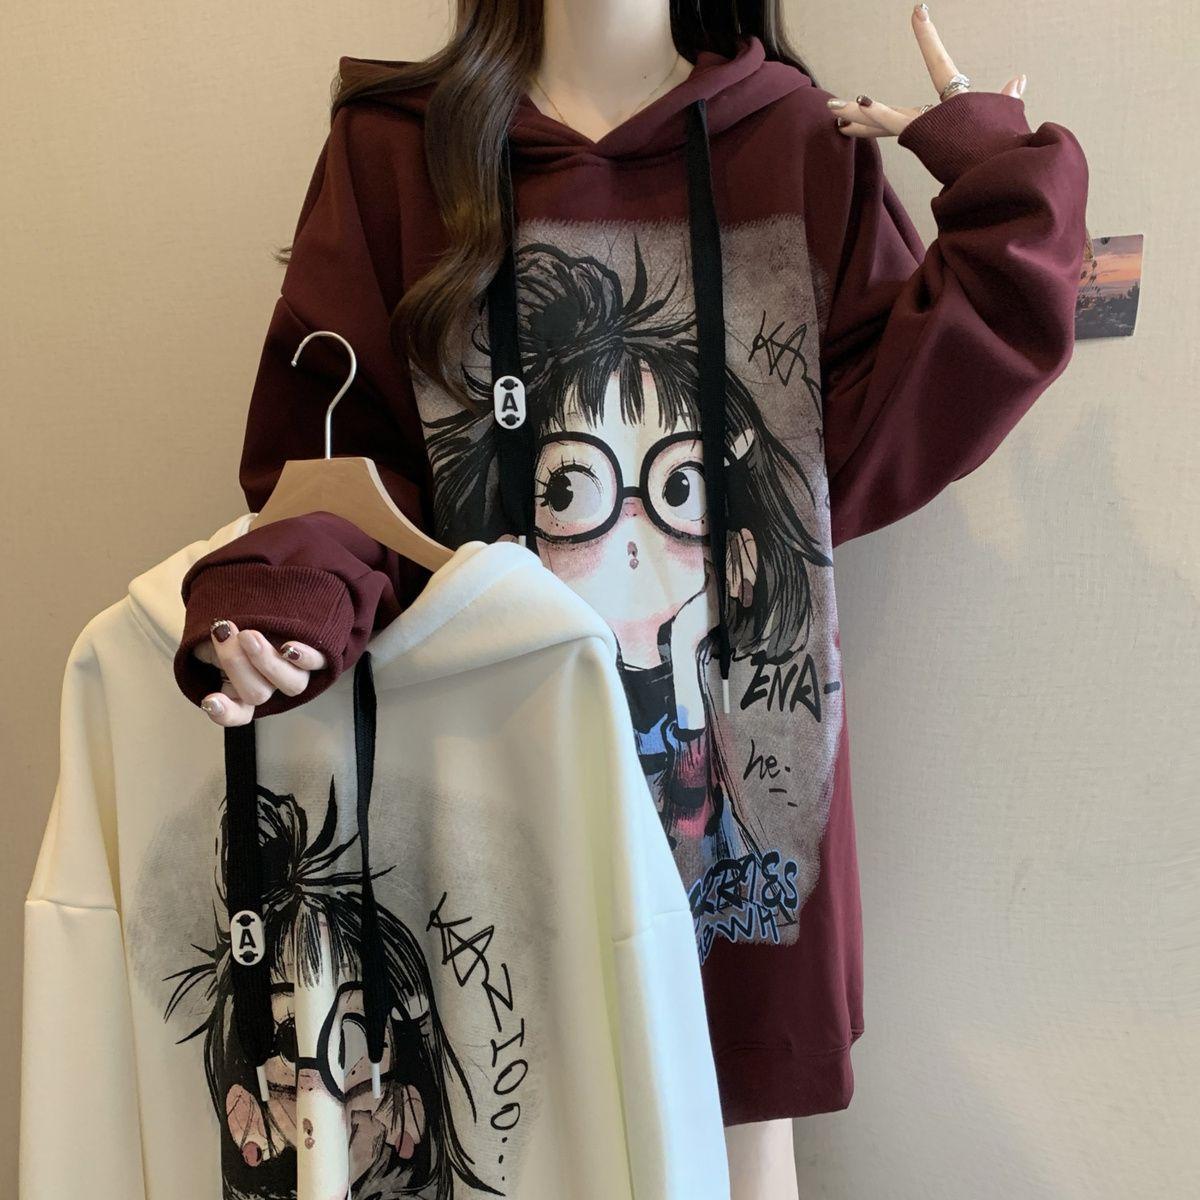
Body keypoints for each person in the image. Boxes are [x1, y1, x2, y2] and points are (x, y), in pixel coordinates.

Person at [169, 2, 1089, 1194]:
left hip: (740, 883)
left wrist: (1003, 186)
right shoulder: (398, 152)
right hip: (490, 814)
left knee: (739, 1152)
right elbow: (340, 466)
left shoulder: (797, 142)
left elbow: (868, 438)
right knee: (507, 1136)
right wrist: (287, 600)